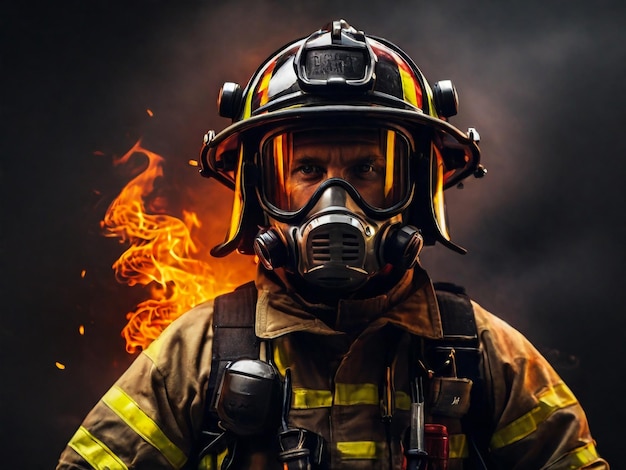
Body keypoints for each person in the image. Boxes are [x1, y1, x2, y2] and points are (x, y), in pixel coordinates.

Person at [57, 20, 609, 470]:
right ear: (260, 193)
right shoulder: (197, 356)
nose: (334, 202)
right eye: (308, 169)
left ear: (417, 191)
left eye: (368, 168)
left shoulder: (483, 354)